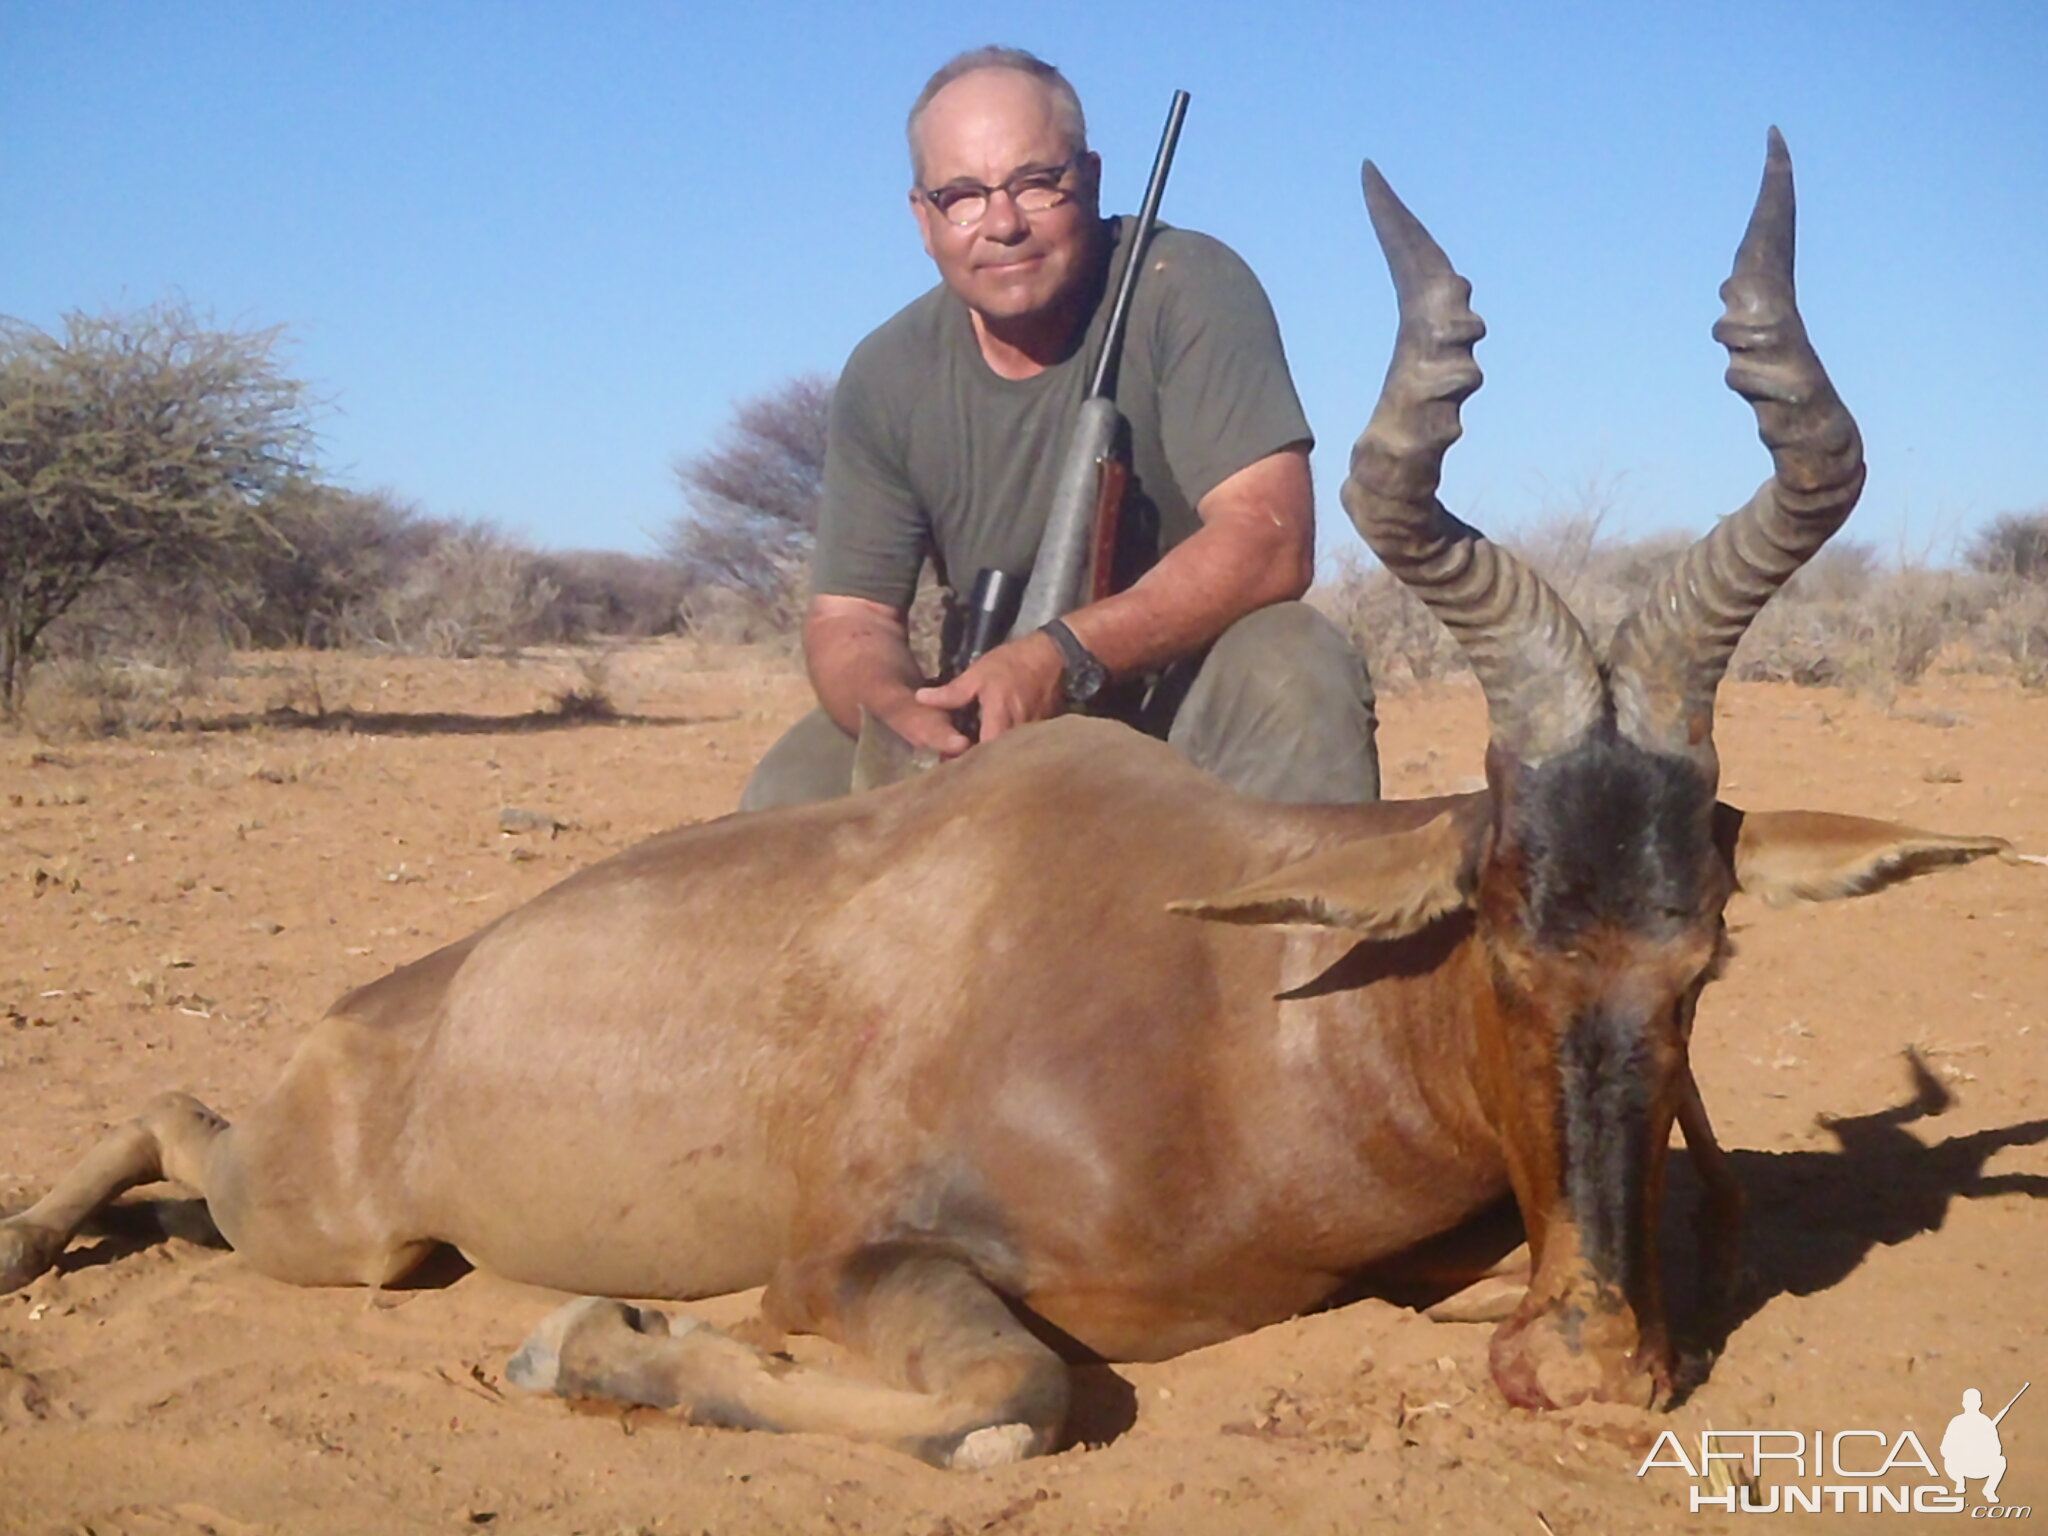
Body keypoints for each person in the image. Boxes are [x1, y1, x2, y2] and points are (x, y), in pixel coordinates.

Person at [740, 46, 1379, 812]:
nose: (1003, 224)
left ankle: (1310, 930)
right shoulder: (885, 372)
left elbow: (1268, 537)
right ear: (924, 217)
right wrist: (906, 714)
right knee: (791, 790)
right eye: (964, 196)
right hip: (987, 712)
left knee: (1293, 665)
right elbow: (853, 616)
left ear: (1093, 178)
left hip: (1174, 701)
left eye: (1037, 184)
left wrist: (1062, 657)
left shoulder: (1187, 286)